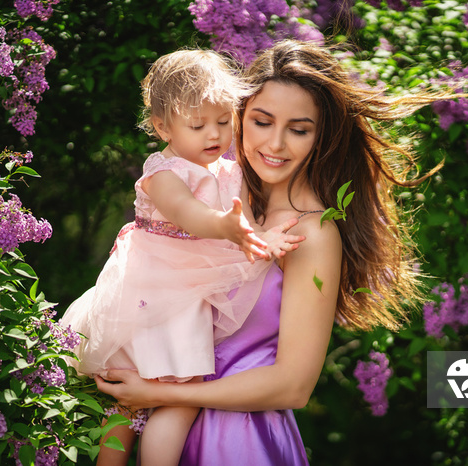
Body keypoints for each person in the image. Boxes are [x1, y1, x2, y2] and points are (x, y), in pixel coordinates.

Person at [95, 40, 454, 465]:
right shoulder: (219, 199)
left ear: (321, 136)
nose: (276, 144)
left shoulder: (312, 232)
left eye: (299, 129)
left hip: (237, 439)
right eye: (262, 121)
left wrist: (158, 393)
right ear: (239, 117)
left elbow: (293, 386)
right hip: (165, 422)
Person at [60, 49, 303, 466]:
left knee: (154, 400)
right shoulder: (163, 173)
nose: (214, 134)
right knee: (138, 401)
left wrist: (264, 238)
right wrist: (229, 228)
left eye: (224, 122)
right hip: (152, 301)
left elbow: (240, 225)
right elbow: (191, 215)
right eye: (198, 125)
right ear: (162, 127)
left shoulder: (228, 171)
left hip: (181, 299)